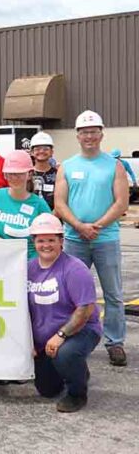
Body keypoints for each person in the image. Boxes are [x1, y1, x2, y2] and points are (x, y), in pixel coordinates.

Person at [54, 110, 129, 366]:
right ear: (77, 135)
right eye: (84, 132)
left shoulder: (114, 165)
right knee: (70, 293)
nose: (89, 136)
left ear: (101, 134)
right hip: (74, 239)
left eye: (93, 131)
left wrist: (96, 225)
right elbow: (59, 203)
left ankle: (115, 342)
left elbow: (121, 202)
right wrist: (78, 225)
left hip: (105, 238)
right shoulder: (68, 166)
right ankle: (70, 336)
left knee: (113, 293)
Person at [26, 213, 102, 412]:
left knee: (66, 354)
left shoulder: (75, 269)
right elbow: (21, 308)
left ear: (61, 241)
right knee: (47, 390)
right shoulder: (28, 269)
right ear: (34, 242)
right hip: (45, 337)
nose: (46, 245)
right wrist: (28, 341)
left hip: (80, 330)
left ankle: (77, 394)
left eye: (52, 240)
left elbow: (85, 309)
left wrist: (61, 335)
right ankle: (78, 370)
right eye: (41, 240)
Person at [0, 150, 52, 258]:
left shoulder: (39, 205)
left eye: (19, 174)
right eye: (10, 174)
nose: (14, 178)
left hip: (29, 264)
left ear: (29, 174)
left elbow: (50, 235)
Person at [30, 132, 57, 210]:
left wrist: (50, 218)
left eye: (45, 149)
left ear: (52, 152)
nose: (41, 151)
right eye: (37, 149)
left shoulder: (58, 174)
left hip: (53, 218)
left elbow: (61, 201)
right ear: (32, 152)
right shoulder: (26, 174)